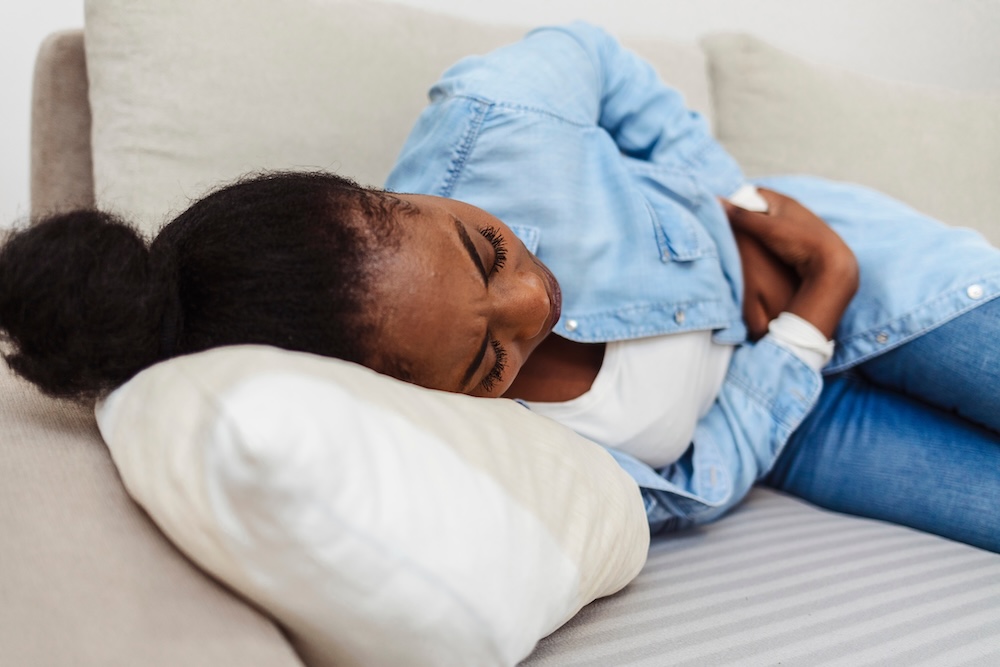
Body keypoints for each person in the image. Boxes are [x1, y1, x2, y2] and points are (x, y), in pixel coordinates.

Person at [1, 23, 997, 552]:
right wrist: (810, 319)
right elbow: (698, 481)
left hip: (859, 265)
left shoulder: (491, 121)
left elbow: (594, 55)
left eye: (485, 249)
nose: (534, 304)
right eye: (488, 359)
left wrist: (731, 199)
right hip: (800, 416)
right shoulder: (495, 455)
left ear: (396, 195)